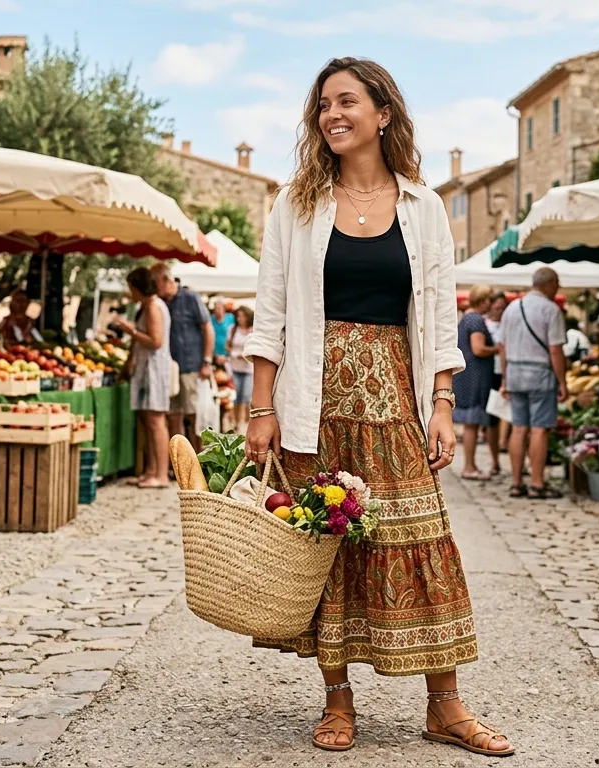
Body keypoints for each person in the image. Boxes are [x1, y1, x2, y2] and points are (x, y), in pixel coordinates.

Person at [243, 57, 512, 757]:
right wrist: (260, 408)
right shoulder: (295, 203)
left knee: (421, 541)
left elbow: (440, 320)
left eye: (346, 102)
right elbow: (269, 313)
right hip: (315, 398)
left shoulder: (423, 207)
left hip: (396, 397)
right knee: (327, 546)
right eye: (323, 106)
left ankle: (445, 706)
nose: (332, 115)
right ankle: (337, 702)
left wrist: (445, 403)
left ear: (382, 114)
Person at [499, 267, 567, 500]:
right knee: (539, 429)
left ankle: (517, 483)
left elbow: (502, 346)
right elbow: (555, 350)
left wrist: (506, 378)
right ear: (549, 284)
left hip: (515, 372)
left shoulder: (512, 308)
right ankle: (537, 483)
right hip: (540, 373)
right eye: (557, 284)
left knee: (518, 428)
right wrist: (563, 382)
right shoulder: (551, 310)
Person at [116, 267, 171, 489]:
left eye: (131, 288)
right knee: (149, 421)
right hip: (148, 369)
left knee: (156, 421)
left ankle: (161, 474)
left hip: (154, 370)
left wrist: (130, 331)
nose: (130, 293)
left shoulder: (153, 307)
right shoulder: (149, 306)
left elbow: (155, 341)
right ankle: (151, 470)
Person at [150, 263, 213, 452]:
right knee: (173, 415)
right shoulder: (160, 303)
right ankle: (179, 463)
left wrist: (207, 361)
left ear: (165, 280)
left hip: (190, 366)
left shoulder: (189, 297)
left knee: (193, 415)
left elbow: (207, 328)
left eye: (155, 283)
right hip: (168, 368)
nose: (153, 288)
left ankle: (199, 460)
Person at [452, 285, 499, 480]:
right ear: (484, 300)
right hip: (475, 377)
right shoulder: (476, 320)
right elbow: (478, 349)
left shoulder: (466, 318)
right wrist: (497, 349)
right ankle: (469, 467)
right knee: (472, 423)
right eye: (489, 299)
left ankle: (470, 465)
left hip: (467, 376)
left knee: (470, 423)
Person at [483, 292, 508, 475]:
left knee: (513, 419)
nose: (499, 311)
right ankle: (495, 460)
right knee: (492, 420)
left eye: (502, 307)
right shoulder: (484, 325)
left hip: (508, 373)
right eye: (497, 307)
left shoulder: (510, 323)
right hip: (492, 374)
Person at [227, 306, 255, 431]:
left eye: (242, 316)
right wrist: (233, 353)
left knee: (246, 395)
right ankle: (237, 421)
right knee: (236, 396)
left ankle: (245, 421)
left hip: (248, 368)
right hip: (234, 367)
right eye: (238, 316)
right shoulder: (233, 329)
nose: (240, 319)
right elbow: (228, 345)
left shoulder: (252, 331)